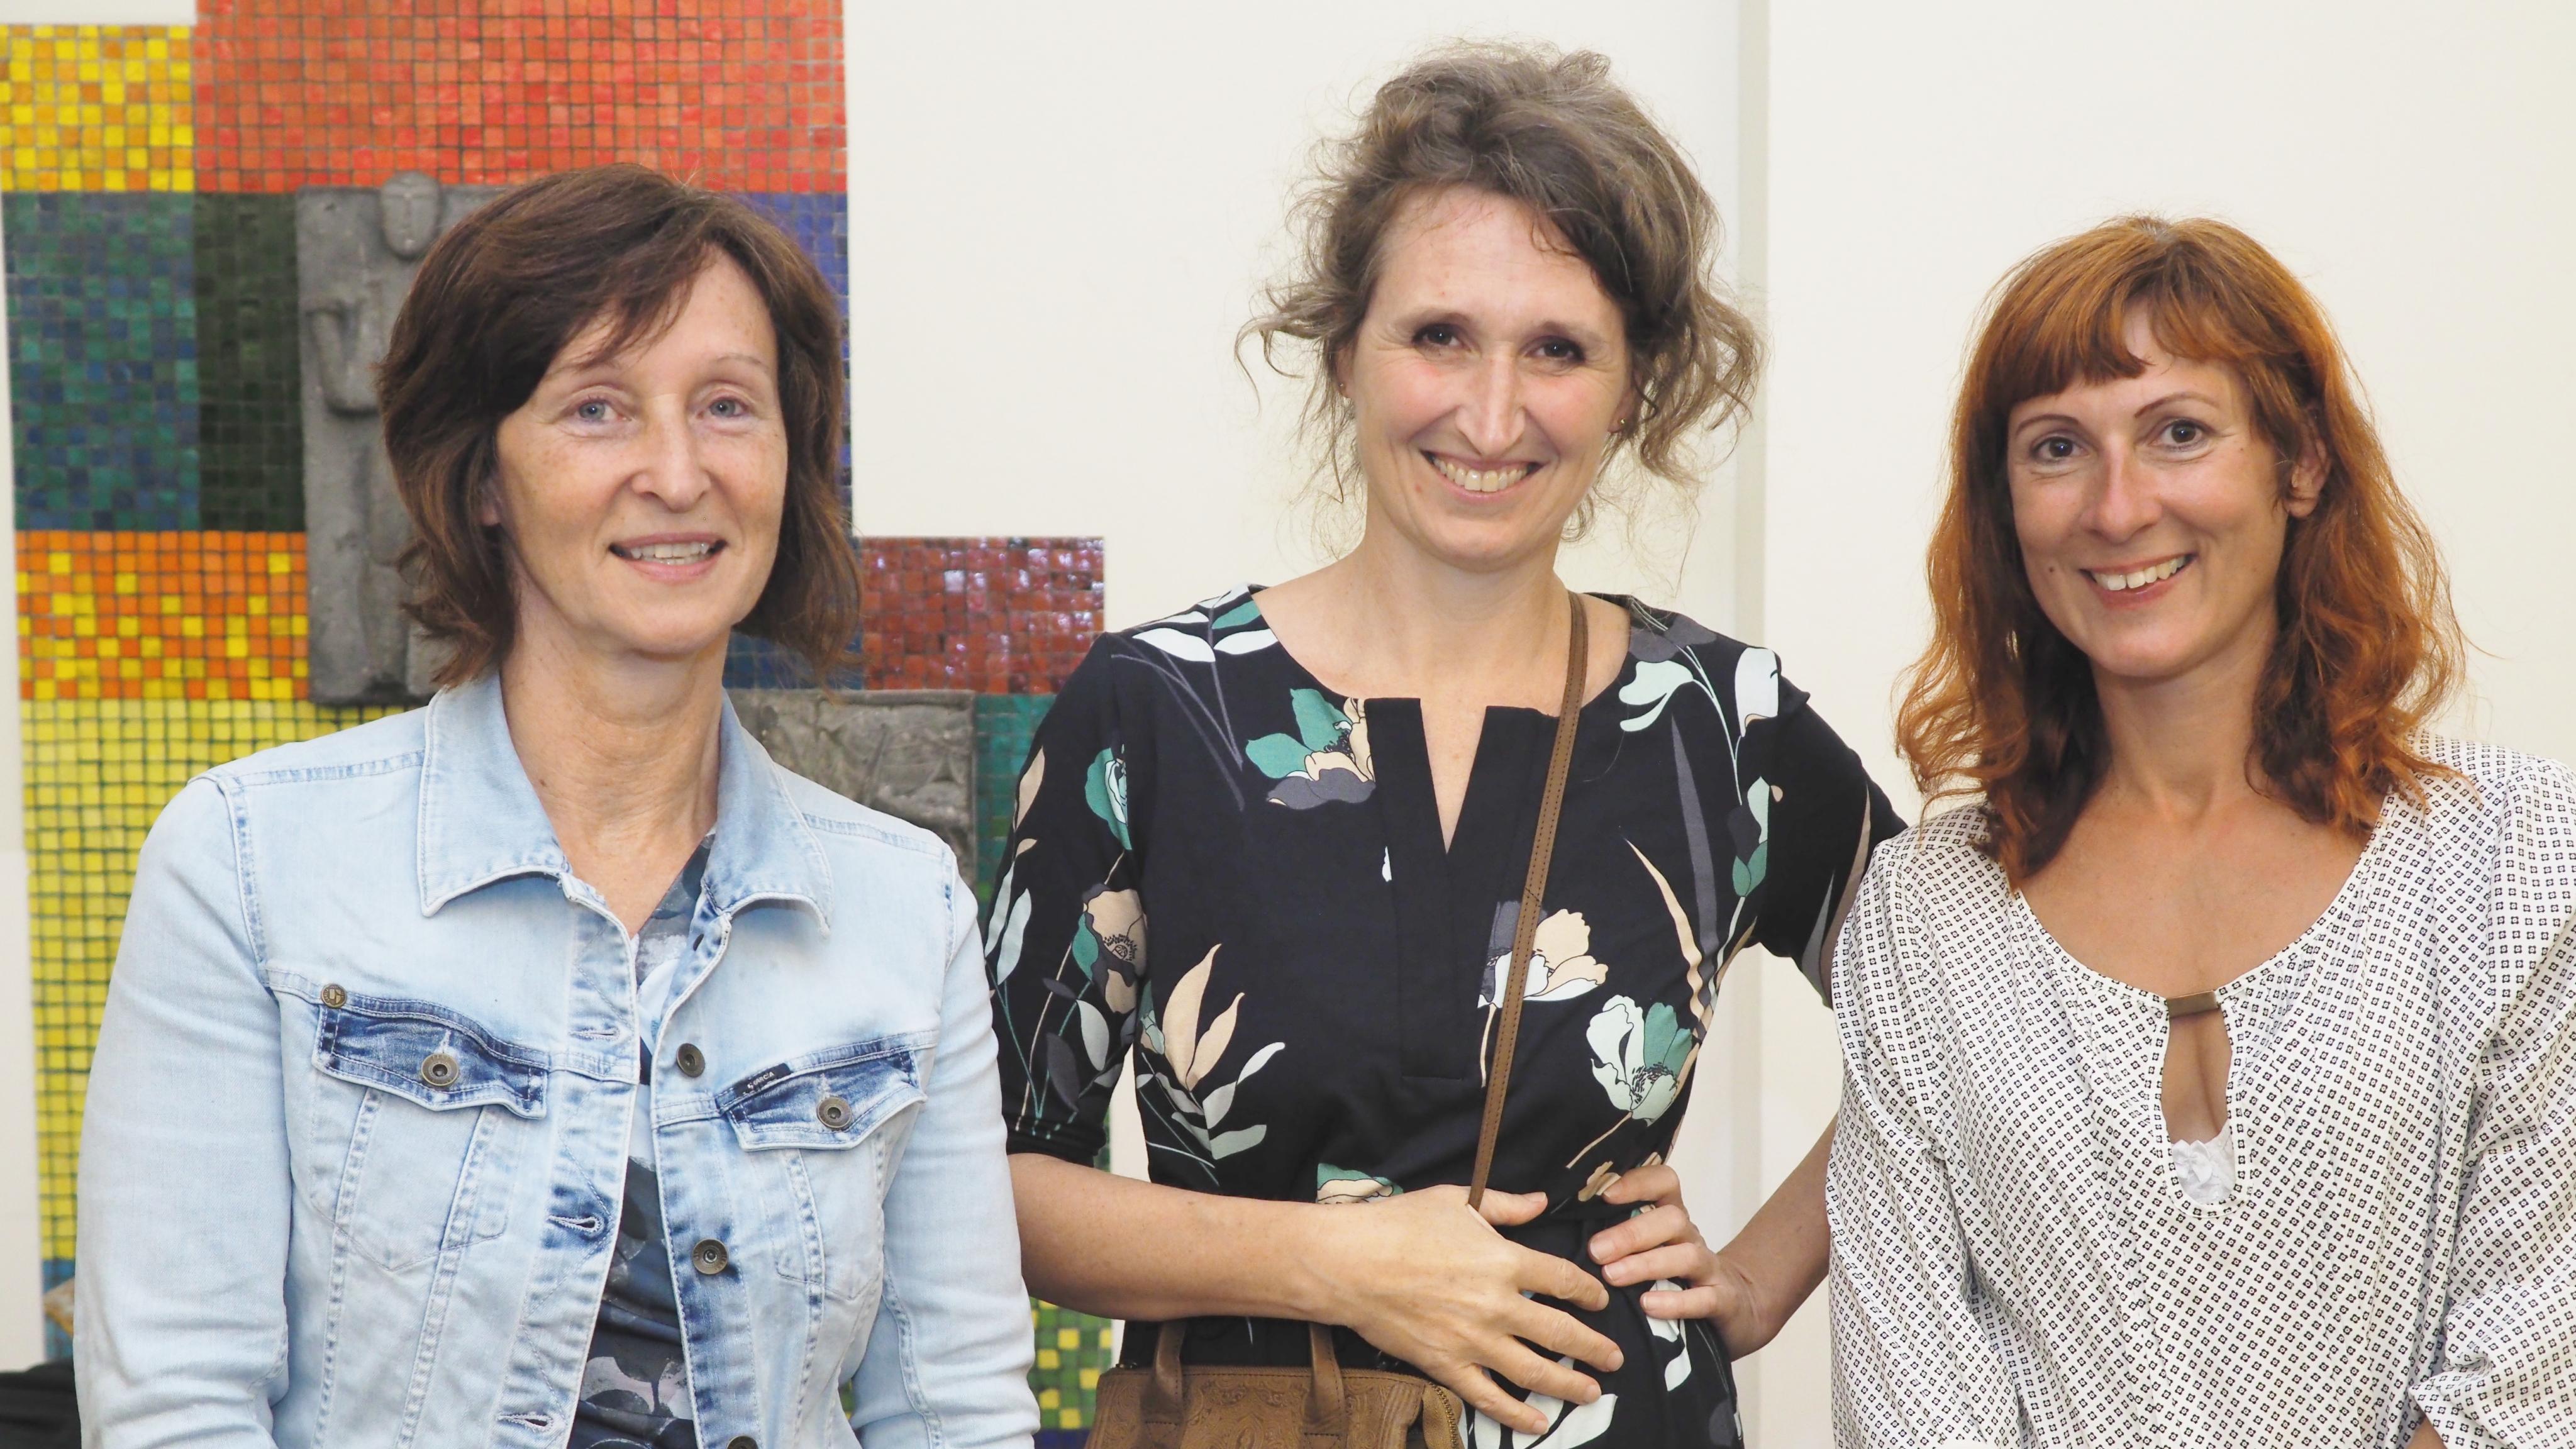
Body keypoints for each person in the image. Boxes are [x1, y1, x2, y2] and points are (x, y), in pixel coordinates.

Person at [987, 44, 1899, 1448]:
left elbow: (1982, 1027)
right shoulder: (1152, 712)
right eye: (1439, 336)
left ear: (1634, 386)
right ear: (1344, 350)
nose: (1490, 414)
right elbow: (987, 1186)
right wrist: (1333, 1264)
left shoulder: (1725, 727)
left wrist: (1763, 1274)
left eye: (1558, 349)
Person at [75, 165, 1037, 1449]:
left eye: (728, 406)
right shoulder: (250, 863)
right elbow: (177, 1404)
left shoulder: (904, 905)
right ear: (484, 479)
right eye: (598, 409)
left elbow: (956, 1409)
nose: (678, 474)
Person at [1827, 216, 2576, 1448]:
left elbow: (2534, 1371)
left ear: (2300, 463)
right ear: (2005, 506)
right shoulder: (1919, 914)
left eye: (2178, 431)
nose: (2118, 507)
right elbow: (1914, 1403)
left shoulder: (2521, 856)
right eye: (2056, 448)